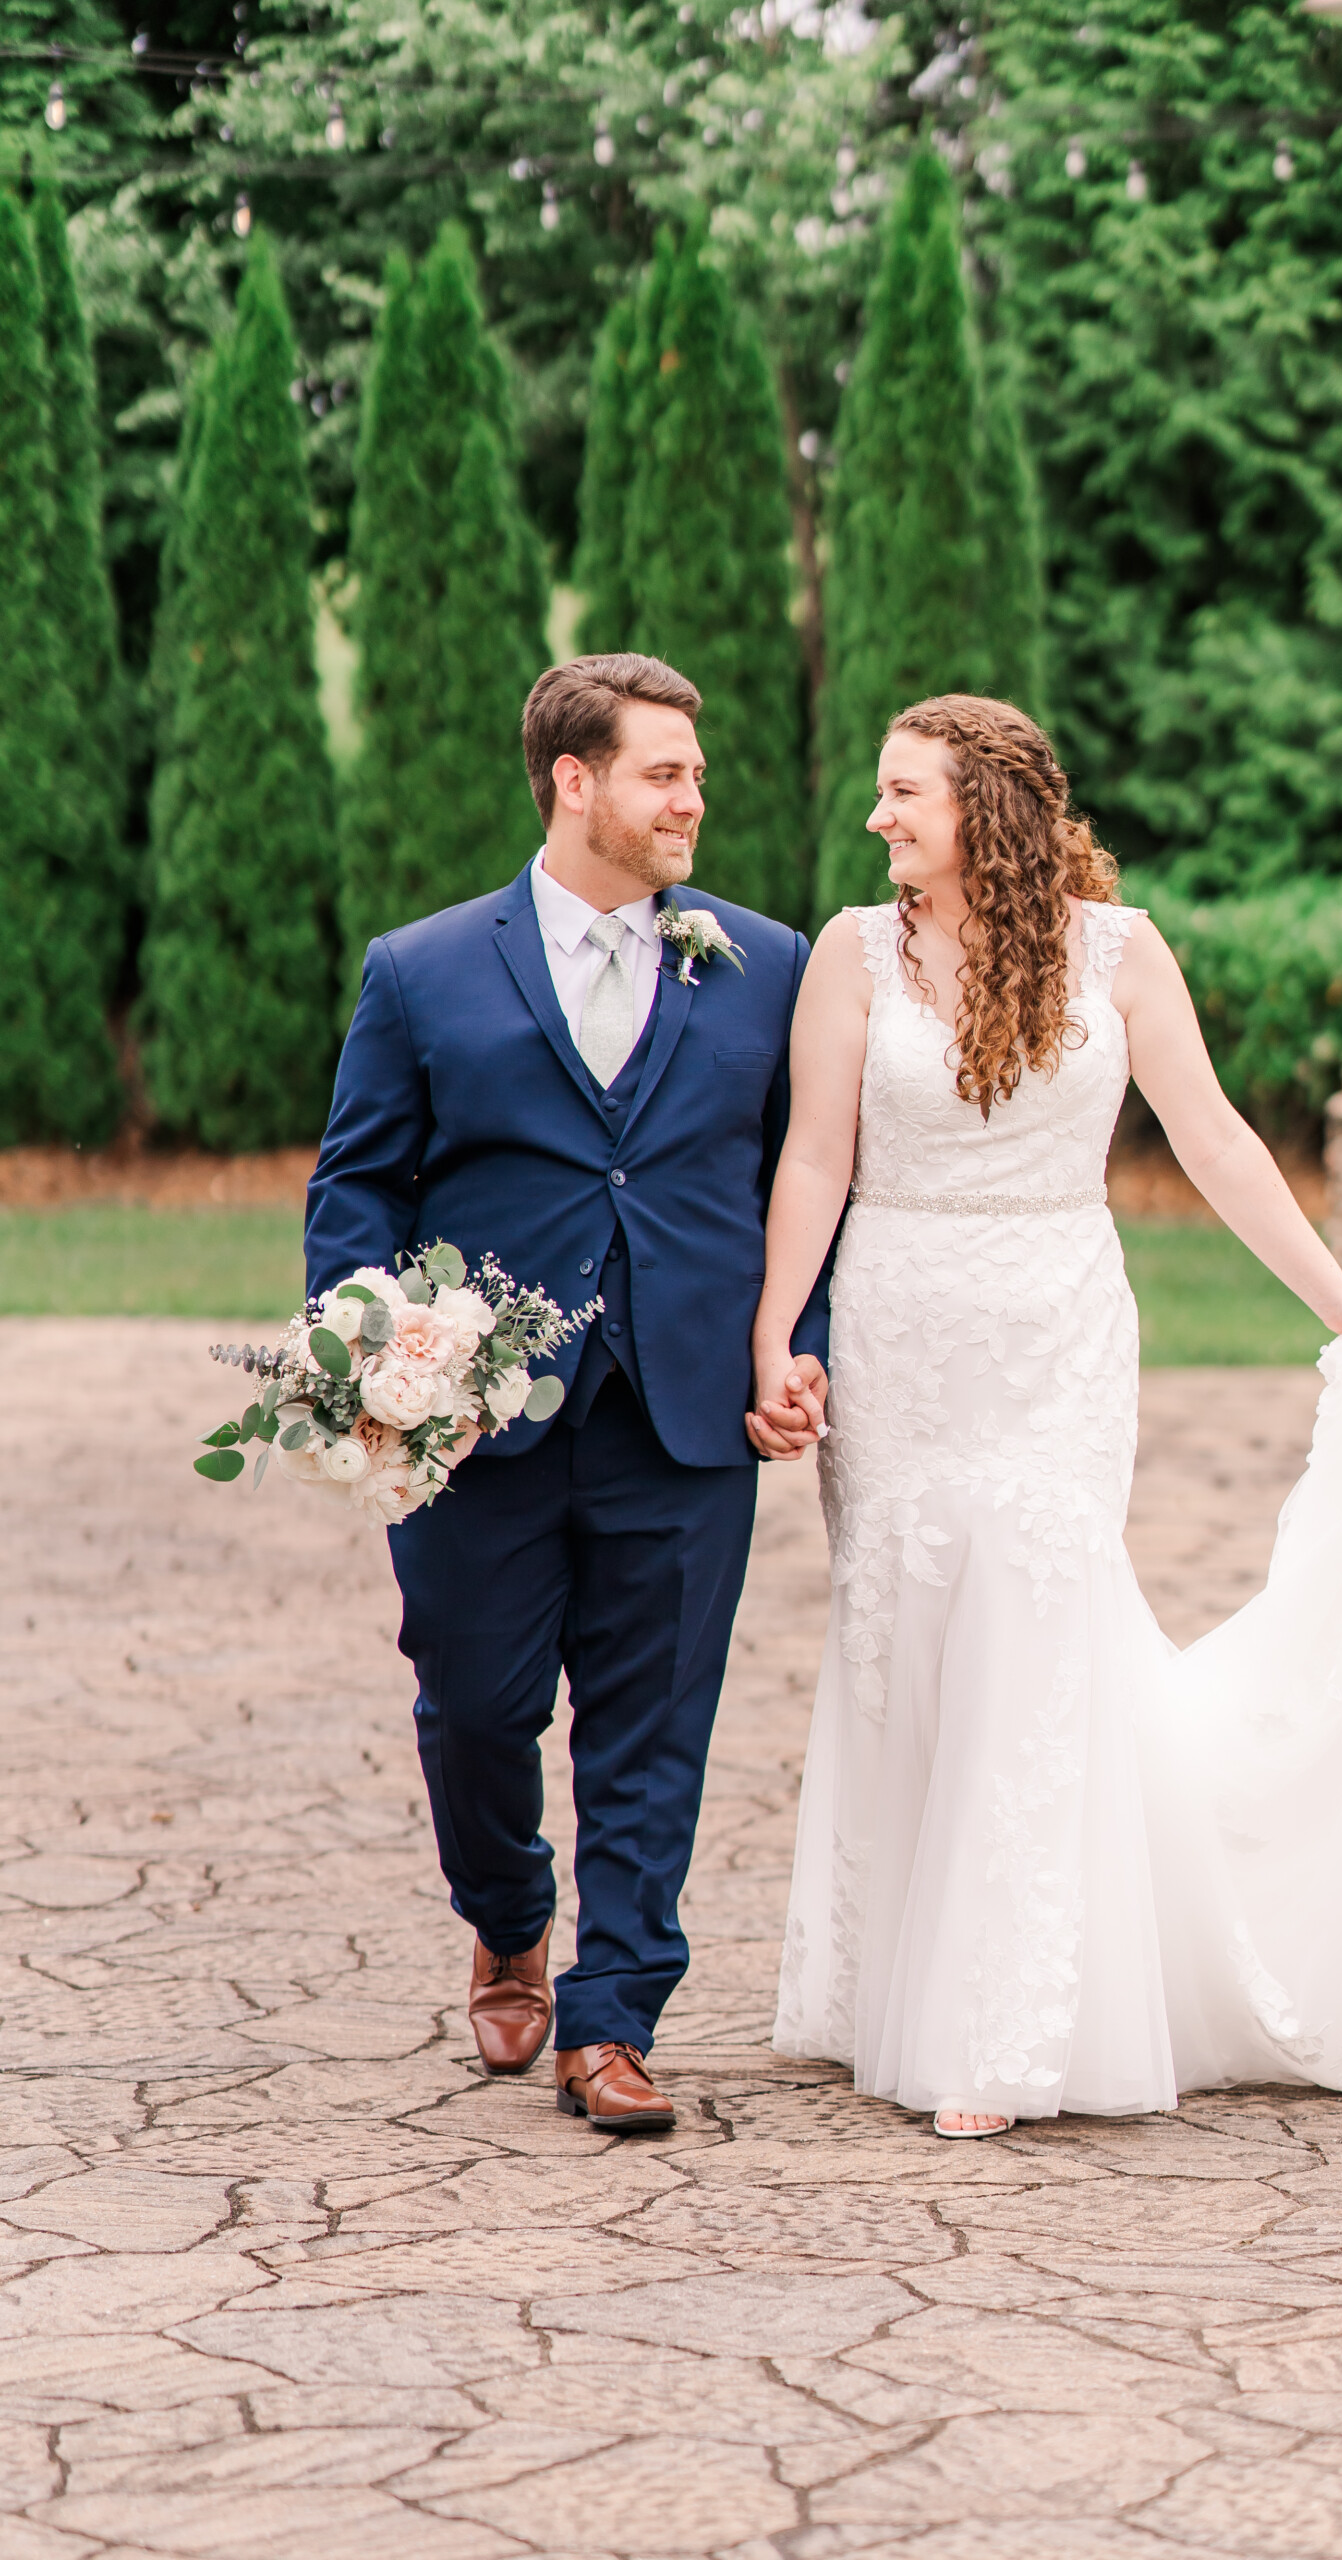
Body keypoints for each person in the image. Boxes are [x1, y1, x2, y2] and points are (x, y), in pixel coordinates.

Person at [749, 693, 1342, 2138]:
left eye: (906, 793)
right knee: (908, 1632)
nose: (879, 817)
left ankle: (1010, 2024)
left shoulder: (1121, 957)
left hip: (1058, 1331)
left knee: (1032, 1628)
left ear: (987, 808)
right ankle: (890, 1976)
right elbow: (819, 1152)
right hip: (902, 1331)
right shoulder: (851, 952)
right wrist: (778, 1331)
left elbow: (1214, 1139)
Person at [306, 653, 829, 2135]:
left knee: (655, 1723)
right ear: (574, 782)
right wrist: (373, 1369)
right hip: (475, 1421)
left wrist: (805, 1345)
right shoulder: (422, 970)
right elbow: (359, 1186)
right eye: (666, 773)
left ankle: (614, 2020)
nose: (694, 801)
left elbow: (814, 1181)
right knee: (475, 1703)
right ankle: (507, 1912)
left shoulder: (766, 964)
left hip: (684, 1412)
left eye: (698, 775)